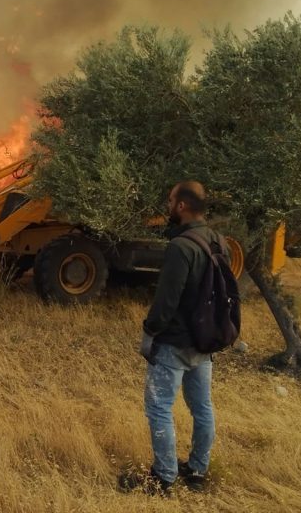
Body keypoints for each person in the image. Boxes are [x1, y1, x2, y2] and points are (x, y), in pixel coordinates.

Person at [122, 180, 230, 495]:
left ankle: (164, 477)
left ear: (181, 206)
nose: (168, 205)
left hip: (175, 342)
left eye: (170, 200)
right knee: (202, 407)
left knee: (159, 407)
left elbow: (166, 301)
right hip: (205, 340)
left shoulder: (180, 247)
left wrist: (149, 332)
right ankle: (197, 471)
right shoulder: (217, 241)